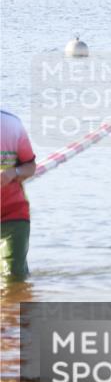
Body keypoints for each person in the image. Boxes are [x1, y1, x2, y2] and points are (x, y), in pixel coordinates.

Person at [1, 109, 37, 281]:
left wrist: (13, 172)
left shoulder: (11, 125)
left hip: (12, 213)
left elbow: (30, 166)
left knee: (13, 278)